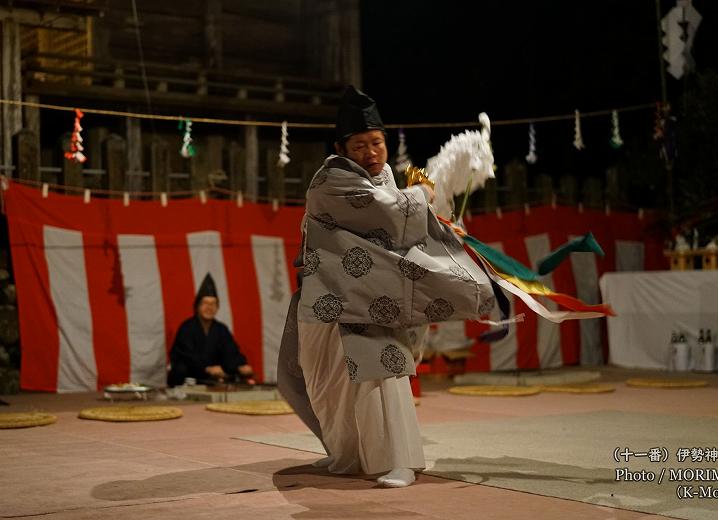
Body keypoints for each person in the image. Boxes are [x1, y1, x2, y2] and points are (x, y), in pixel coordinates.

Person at [277, 86, 497, 488]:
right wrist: (426, 192)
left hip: (376, 298)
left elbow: (403, 230)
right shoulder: (331, 182)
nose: (371, 152)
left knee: (386, 377)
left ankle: (402, 462)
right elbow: (391, 216)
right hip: (330, 297)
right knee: (327, 383)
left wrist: (437, 214)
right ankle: (347, 455)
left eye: (376, 142)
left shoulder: (385, 178)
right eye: (360, 145)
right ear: (340, 148)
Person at [167, 273, 254, 387]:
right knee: (180, 368)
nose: (209, 307)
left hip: (213, 378)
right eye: (205, 303)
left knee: (236, 371)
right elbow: (186, 356)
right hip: (191, 376)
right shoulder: (187, 328)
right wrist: (207, 368)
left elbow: (231, 351)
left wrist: (241, 365)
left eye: (213, 304)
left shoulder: (221, 329)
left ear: (217, 307)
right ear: (197, 306)